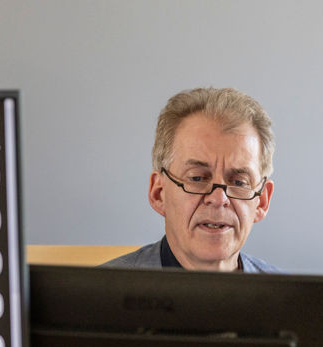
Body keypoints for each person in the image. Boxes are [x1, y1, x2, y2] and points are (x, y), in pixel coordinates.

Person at [104, 87, 279, 272]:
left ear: (262, 201)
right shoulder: (98, 289)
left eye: (239, 182)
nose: (219, 199)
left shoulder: (288, 291)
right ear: (159, 194)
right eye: (197, 178)